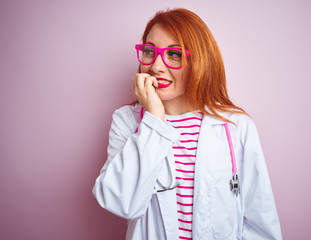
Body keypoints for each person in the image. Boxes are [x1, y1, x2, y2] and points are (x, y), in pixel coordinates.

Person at [93, 8, 282, 240]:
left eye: (174, 54)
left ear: (199, 60)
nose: (156, 66)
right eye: (150, 51)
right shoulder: (126, 121)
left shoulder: (236, 127)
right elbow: (122, 203)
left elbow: (260, 224)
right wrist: (153, 118)